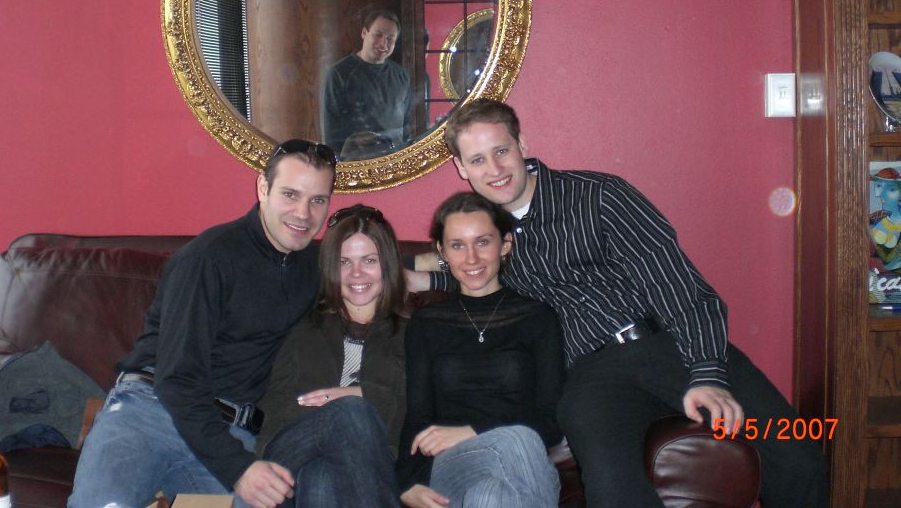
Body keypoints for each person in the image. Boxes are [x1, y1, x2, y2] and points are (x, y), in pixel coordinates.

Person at [409, 99, 828, 508]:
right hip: (590, 377)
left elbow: (677, 283)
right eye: (478, 160)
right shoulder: (491, 237)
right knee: (613, 491)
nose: (495, 169)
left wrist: (707, 373)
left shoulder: (600, 196)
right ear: (462, 168)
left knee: (798, 457)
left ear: (522, 145)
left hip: (666, 345)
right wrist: (415, 272)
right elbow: (471, 269)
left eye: (501, 151)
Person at [68, 139, 337, 508]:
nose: (303, 213)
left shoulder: (313, 266)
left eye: (318, 200)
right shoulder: (208, 258)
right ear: (263, 188)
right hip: (149, 412)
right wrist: (239, 468)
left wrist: (423, 274)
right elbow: (178, 380)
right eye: (290, 194)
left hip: (229, 429)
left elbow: (374, 270)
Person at [398, 191, 563, 508]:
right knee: (515, 440)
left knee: (489, 497)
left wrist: (472, 430)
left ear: (505, 244)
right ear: (442, 251)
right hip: (451, 465)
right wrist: (405, 482)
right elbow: (417, 416)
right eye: (457, 246)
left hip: (524, 463)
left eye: (483, 242)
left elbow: (552, 422)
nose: (471, 258)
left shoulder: (538, 318)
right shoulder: (426, 323)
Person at [244, 204, 408, 508]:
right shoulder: (304, 329)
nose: (356, 273)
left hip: (371, 468)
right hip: (287, 459)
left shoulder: (412, 335)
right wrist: (340, 412)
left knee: (321, 475)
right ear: (331, 268)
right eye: (344, 262)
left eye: (369, 260)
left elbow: (412, 414)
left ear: (387, 264)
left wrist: (358, 394)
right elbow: (275, 412)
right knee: (349, 413)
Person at [322, 10, 412, 158]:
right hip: (355, 163)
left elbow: (406, 126)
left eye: (390, 39)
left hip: (393, 162)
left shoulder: (401, 75)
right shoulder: (339, 74)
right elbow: (331, 132)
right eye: (378, 35)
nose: (383, 43)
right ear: (364, 33)